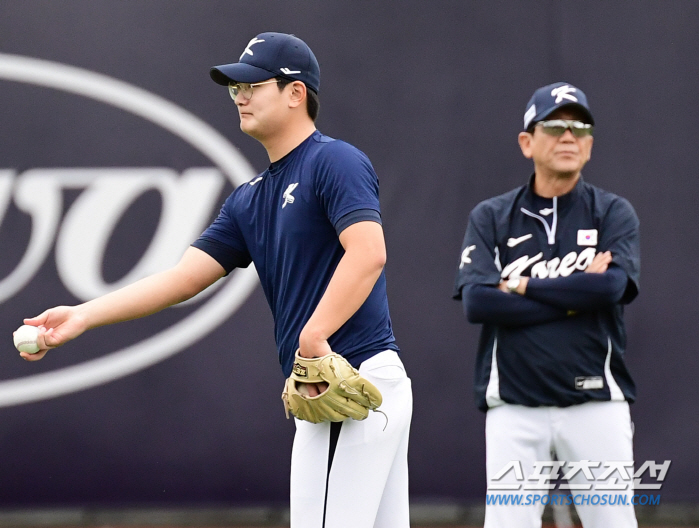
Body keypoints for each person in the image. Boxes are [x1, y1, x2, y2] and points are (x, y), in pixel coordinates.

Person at [19, 32, 412, 528]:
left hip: (352, 381)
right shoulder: (248, 198)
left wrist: (314, 337)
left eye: (252, 85)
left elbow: (369, 253)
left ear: (295, 93)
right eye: (234, 89)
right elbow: (183, 279)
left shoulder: (334, 160)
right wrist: (82, 315)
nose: (241, 96)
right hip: (338, 389)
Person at [453, 82, 640, 528]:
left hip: (597, 400)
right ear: (527, 142)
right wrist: (577, 293)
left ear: (591, 144)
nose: (569, 136)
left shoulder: (612, 212)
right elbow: (478, 302)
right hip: (515, 406)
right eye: (555, 126)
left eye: (580, 128)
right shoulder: (492, 216)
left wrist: (521, 286)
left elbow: (610, 290)